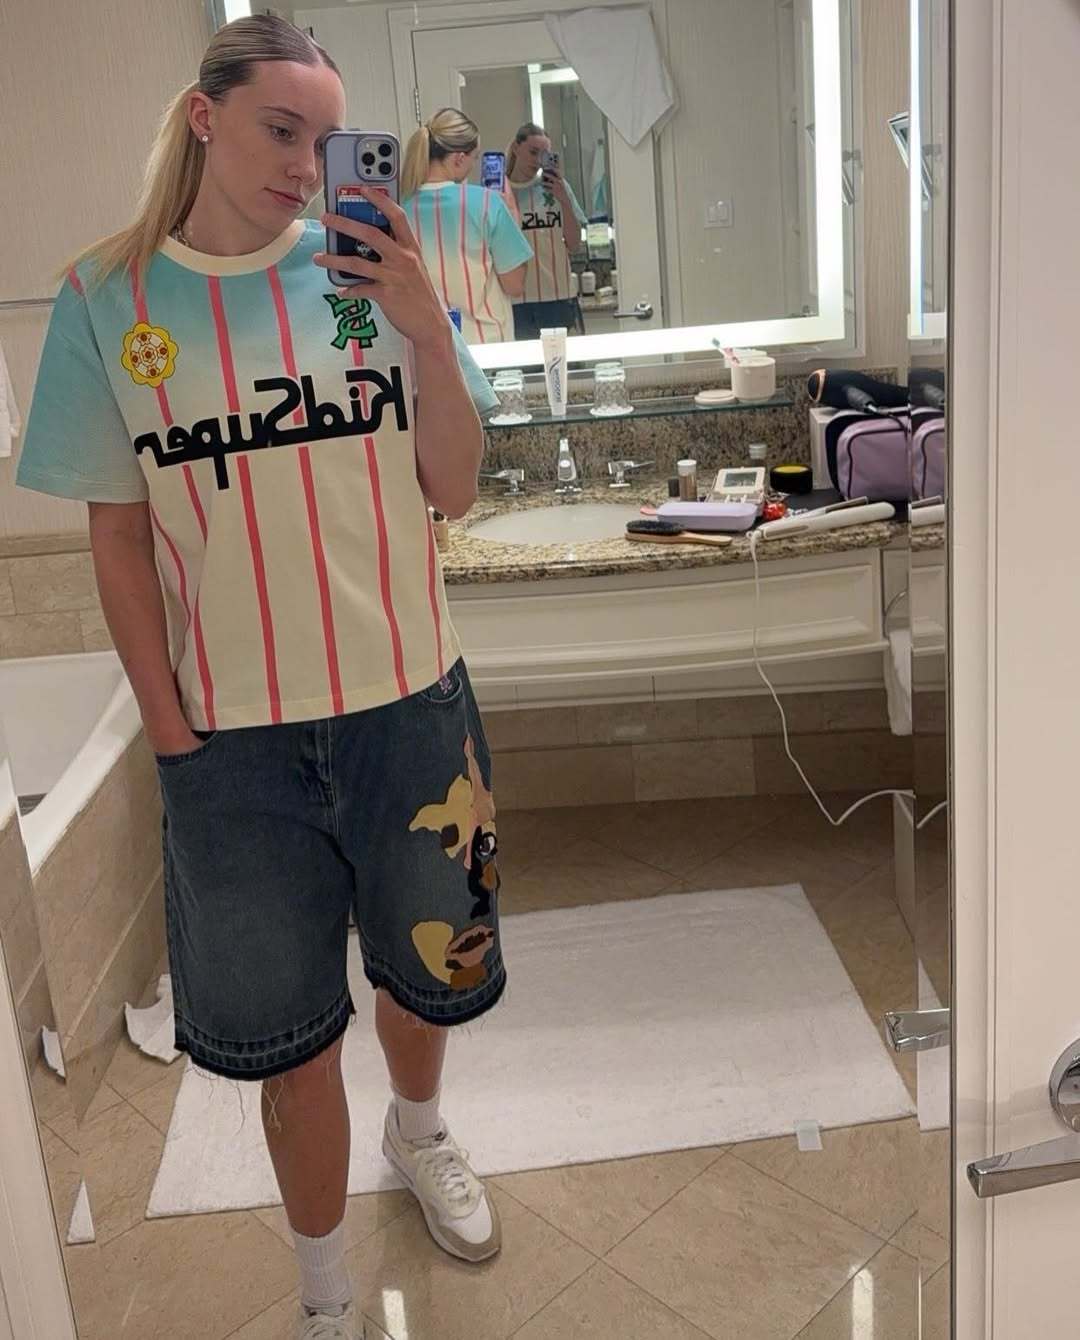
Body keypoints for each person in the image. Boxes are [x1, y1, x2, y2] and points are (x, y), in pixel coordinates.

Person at [16, 16, 506, 1340]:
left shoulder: (365, 274)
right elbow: (119, 539)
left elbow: (453, 487)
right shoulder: (106, 301)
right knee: (289, 1037)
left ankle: (421, 1130)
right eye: (280, 130)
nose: (305, 164)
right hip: (231, 743)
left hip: (407, 705)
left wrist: (428, 329)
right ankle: (325, 1291)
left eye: (327, 138)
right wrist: (169, 729)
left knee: (422, 970)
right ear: (204, 117)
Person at [401, 108, 532, 344]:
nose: (473, 165)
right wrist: (512, 213)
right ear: (459, 158)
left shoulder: (399, 210)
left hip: (427, 348)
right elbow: (514, 284)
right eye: (475, 157)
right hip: (486, 347)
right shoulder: (487, 203)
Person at [506, 122, 588, 339]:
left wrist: (564, 199)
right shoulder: (500, 192)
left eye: (544, 155)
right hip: (516, 300)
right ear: (516, 148)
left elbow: (574, 244)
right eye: (533, 152)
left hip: (558, 297)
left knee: (562, 361)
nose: (537, 161)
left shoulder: (557, 188)